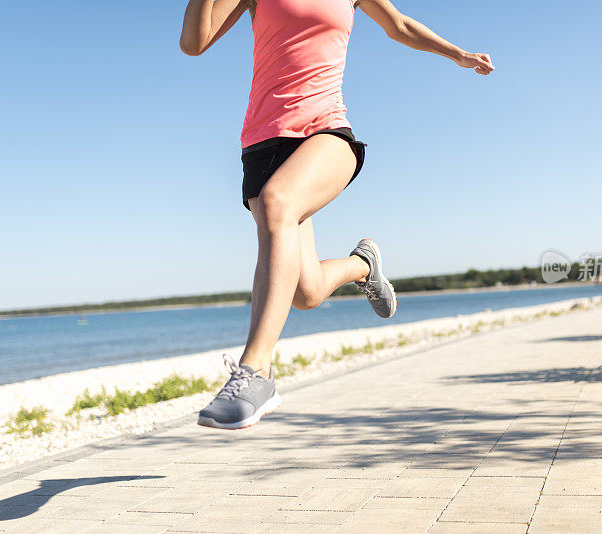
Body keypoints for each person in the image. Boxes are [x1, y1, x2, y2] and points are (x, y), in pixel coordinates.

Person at [180, 0, 494, 430]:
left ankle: (255, 372)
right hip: (263, 144)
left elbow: (399, 25)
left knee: (277, 203)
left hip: (325, 132)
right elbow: (194, 44)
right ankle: (363, 265)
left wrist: (457, 53)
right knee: (306, 293)